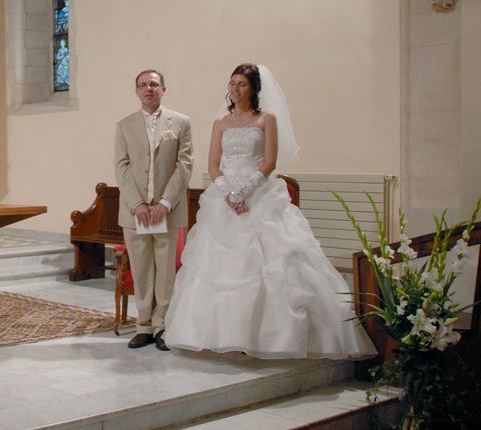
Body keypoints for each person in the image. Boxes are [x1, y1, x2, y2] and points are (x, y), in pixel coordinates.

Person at [163, 63, 376, 360]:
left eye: (242, 84)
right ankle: (223, 335)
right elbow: (213, 164)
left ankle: (267, 337)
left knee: (271, 264)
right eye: (232, 83)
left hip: (259, 193)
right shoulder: (220, 122)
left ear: (254, 88)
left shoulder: (266, 119)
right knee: (217, 266)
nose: (235, 89)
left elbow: (270, 161)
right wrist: (229, 193)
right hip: (225, 197)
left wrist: (245, 191)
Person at [115, 70, 193, 351]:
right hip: (136, 212)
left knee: (166, 271)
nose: (148, 89)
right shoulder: (124, 125)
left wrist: (165, 203)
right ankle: (144, 327)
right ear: (137, 91)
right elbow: (122, 166)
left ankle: (163, 326)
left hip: (167, 211)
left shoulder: (180, 122)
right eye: (143, 85)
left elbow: (185, 165)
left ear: (163, 89)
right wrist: (137, 204)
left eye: (154, 85)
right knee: (142, 271)